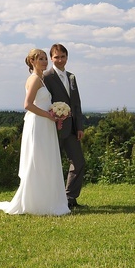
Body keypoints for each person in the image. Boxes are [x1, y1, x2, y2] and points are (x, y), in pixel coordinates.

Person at [0, 49, 70, 216]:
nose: (45, 62)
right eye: (41, 59)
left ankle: (48, 200)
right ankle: (34, 202)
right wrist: (48, 114)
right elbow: (27, 104)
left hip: (45, 123)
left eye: (45, 58)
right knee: (37, 160)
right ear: (32, 61)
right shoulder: (34, 79)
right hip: (38, 124)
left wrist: (54, 113)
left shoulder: (42, 79)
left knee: (45, 160)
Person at [44, 43, 87, 210]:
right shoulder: (46, 77)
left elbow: (76, 103)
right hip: (53, 127)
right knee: (51, 164)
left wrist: (80, 126)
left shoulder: (72, 77)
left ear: (67, 58)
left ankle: (70, 198)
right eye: (56, 57)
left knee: (79, 162)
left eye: (63, 56)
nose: (60, 59)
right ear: (51, 58)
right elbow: (44, 102)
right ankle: (50, 198)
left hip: (71, 128)